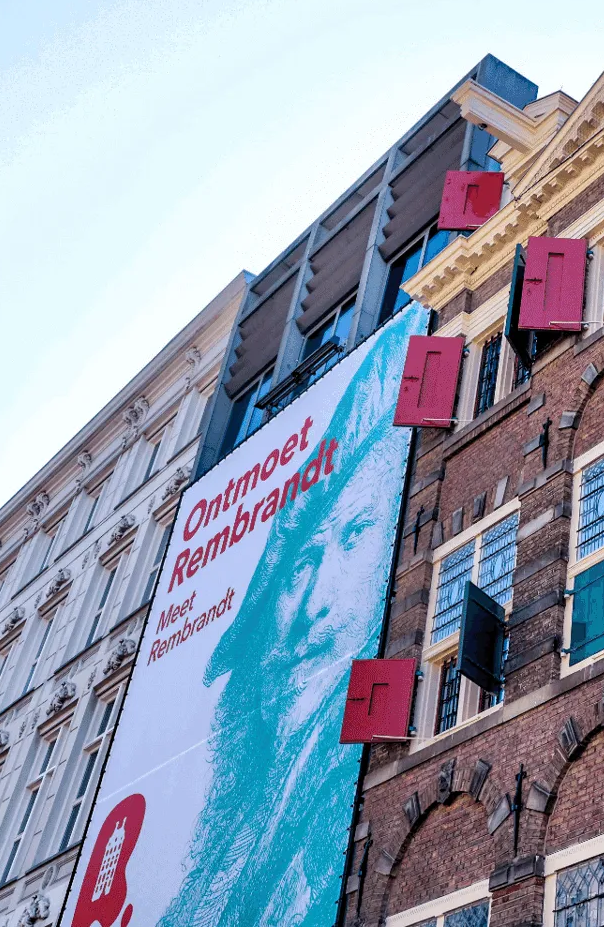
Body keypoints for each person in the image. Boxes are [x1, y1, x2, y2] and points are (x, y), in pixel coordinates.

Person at [157, 323, 410, 927]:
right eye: (300, 566)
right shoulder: (234, 827)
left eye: (353, 536)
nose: (309, 608)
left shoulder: (326, 816)